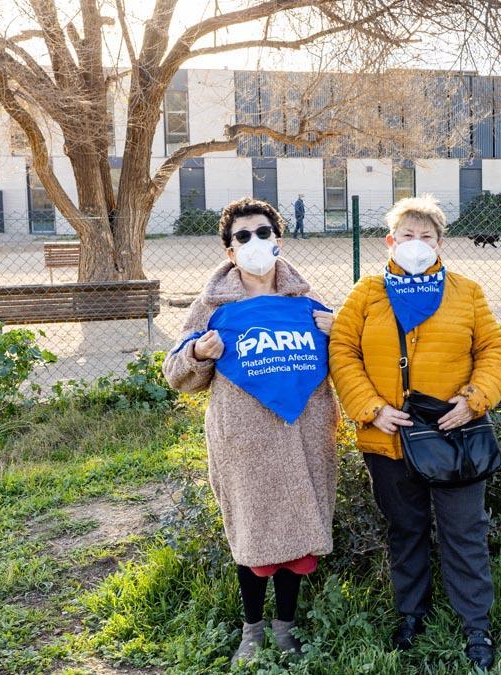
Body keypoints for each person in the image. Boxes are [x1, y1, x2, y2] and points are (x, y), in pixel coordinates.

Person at [329, 195, 501, 670]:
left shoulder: (466, 291)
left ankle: (477, 626)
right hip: (388, 439)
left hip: (454, 437)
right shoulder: (366, 293)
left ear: (440, 243)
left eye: (426, 236)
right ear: (390, 241)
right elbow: (343, 352)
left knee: (464, 531)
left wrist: (474, 400)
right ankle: (413, 614)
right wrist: (370, 408)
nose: (416, 244)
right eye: (407, 235)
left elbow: (493, 350)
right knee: (405, 529)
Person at [163, 197, 338, 664]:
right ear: (229, 250)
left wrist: (340, 332)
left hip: (304, 435)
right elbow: (176, 374)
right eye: (242, 236)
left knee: (297, 532)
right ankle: (252, 630)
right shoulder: (211, 306)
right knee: (254, 534)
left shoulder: (306, 301)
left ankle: (285, 627)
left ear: (278, 241)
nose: (254, 242)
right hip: (245, 442)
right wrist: (198, 354)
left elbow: (345, 362)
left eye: (263, 233)